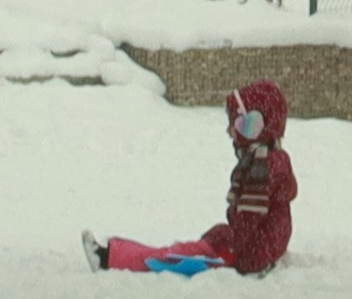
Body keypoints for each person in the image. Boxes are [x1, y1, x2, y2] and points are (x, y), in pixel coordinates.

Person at [96, 79, 298, 276]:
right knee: (199, 245)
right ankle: (117, 252)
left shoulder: (261, 167)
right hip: (258, 246)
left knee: (177, 255)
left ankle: (110, 258)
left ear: (255, 125)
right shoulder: (268, 159)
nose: (230, 131)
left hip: (252, 251)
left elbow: (248, 218)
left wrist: (239, 255)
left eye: (236, 124)